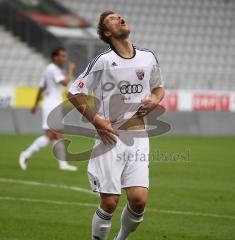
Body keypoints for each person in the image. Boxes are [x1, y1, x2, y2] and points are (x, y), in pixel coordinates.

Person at [68, 11, 165, 239]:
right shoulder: (103, 61)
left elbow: (159, 88)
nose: (119, 18)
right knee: (110, 202)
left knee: (139, 201)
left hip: (139, 137)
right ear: (108, 32)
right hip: (109, 139)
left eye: (120, 16)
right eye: (112, 19)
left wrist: (155, 101)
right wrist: (96, 120)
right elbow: (74, 91)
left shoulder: (148, 57)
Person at [19, 47, 77, 171]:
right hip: (51, 105)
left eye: (65, 56)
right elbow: (65, 82)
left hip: (52, 104)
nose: (64, 59)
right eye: (62, 56)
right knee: (51, 134)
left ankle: (62, 164)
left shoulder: (49, 70)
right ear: (55, 57)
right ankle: (26, 154)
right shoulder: (53, 69)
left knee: (57, 134)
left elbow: (41, 87)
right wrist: (71, 70)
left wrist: (35, 104)